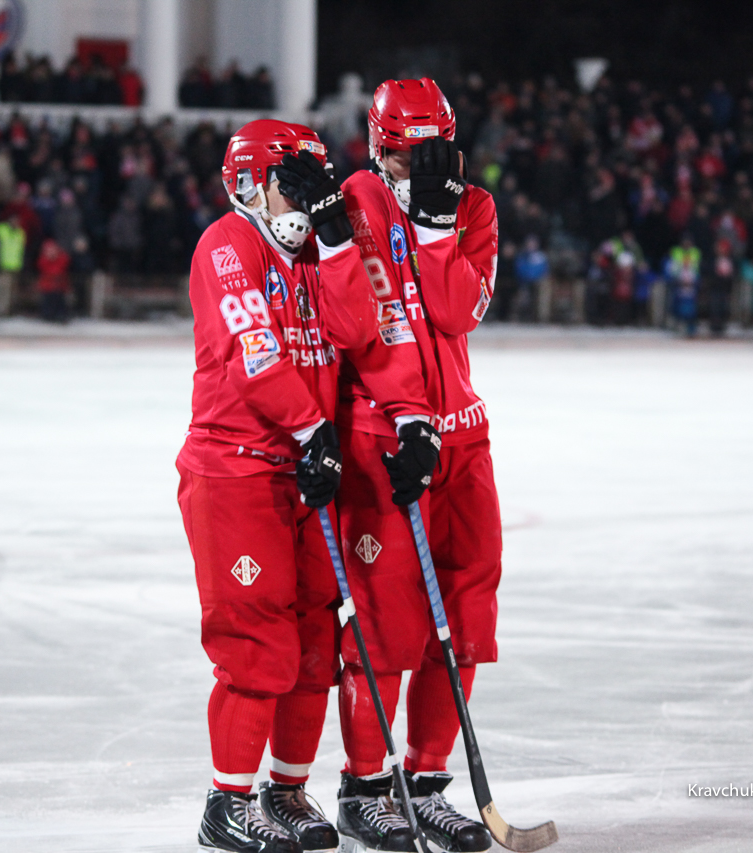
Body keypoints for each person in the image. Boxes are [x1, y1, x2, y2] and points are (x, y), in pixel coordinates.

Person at [176, 119, 420, 853]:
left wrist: (338, 237)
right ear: (251, 185)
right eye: (293, 186)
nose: (304, 204)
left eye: (315, 187)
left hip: (308, 471)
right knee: (257, 641)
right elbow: (252, 353)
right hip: (238, 470)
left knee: (315, 635)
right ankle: (226, 803)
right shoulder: (226, 243)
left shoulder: (316, 251)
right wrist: (315, 429)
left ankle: (284, 789)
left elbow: (358, 327)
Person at [333, 77, 500, 853]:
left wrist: (436, 229)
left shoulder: (474, 208)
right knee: (386, 622)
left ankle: (427, 783)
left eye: (432, 154)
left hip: (462, 438)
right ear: (377, 146)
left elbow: (458, 310)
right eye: (403, 155)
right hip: (385, 437)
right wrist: (400, 417)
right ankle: (366, 787)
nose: (415, 170)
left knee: (465, 619)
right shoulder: (353, 203)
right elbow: (363, 322)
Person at [0, 214, 25, 316]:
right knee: (3, 290)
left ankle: (10, 310)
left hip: (16, 266)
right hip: (3, 266)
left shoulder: (20, 233)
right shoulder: (2, 230)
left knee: (13, 291)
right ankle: (1, 311)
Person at [36, 238, 70, 323]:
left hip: (59, 285)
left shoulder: (62, 258)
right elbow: (42, 267)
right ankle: (48, 315)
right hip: (47, 286)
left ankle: (60, 315)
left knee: (59, 300)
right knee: (48, 300)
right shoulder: (43, 260)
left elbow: (64, 263)